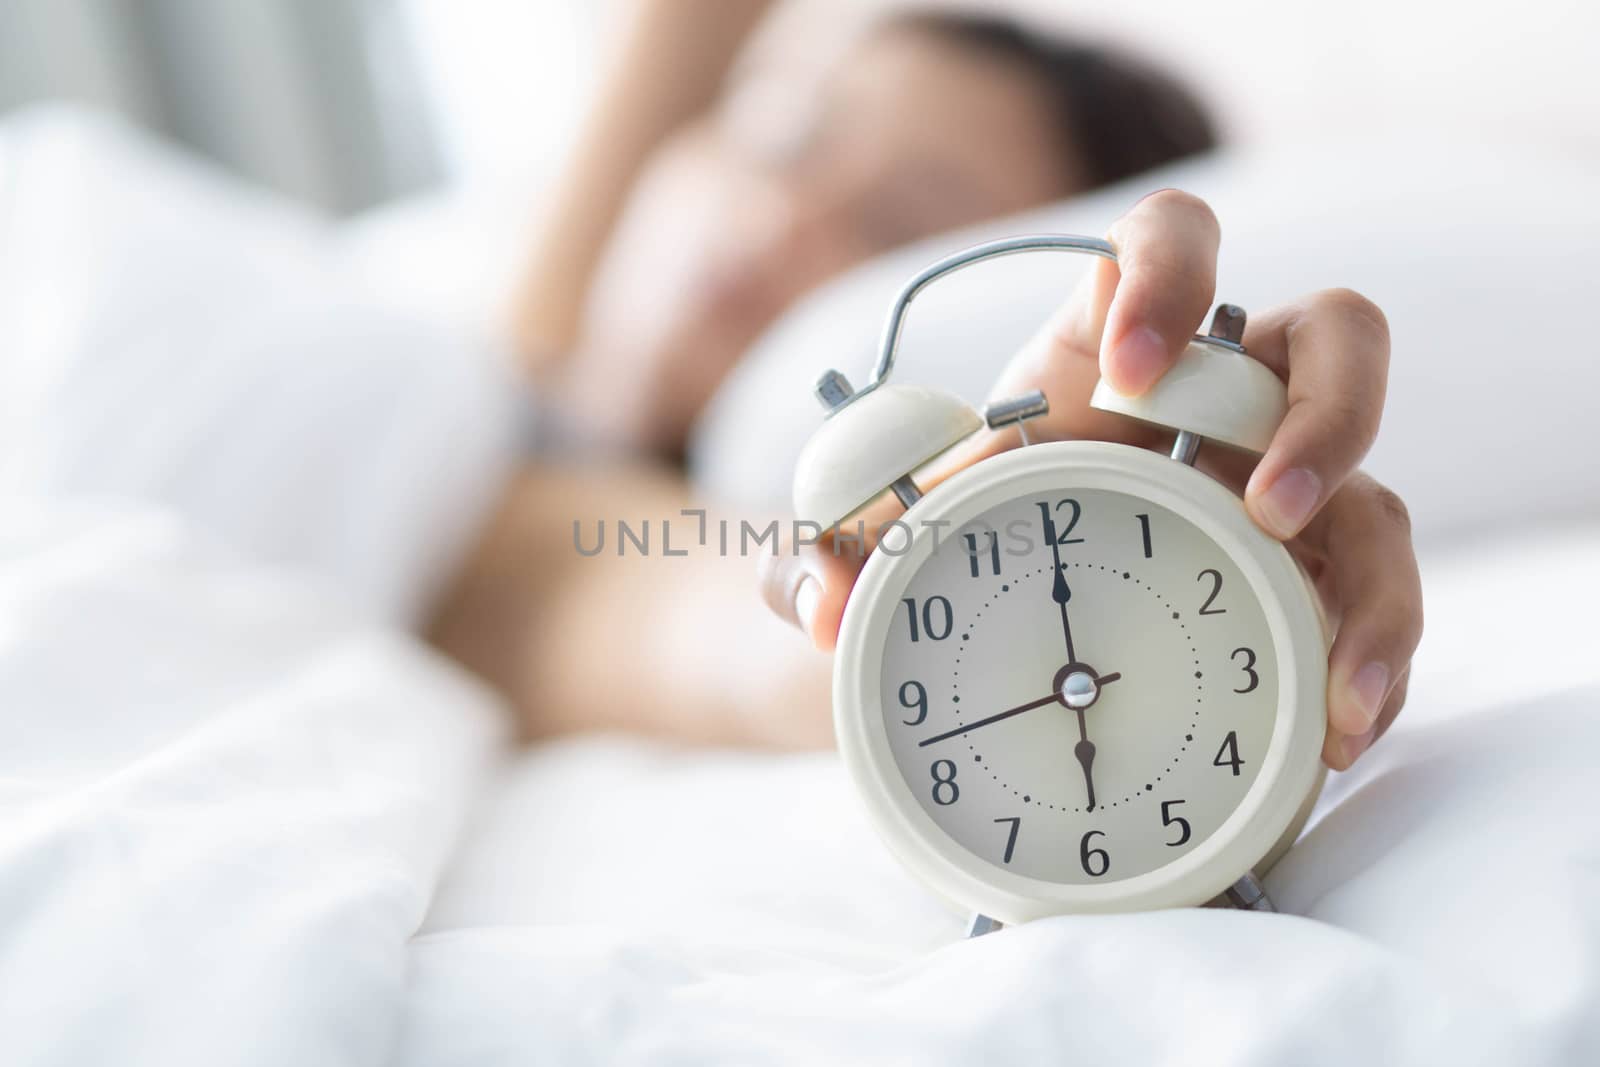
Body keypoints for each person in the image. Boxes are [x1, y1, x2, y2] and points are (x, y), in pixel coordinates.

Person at [430, 3, 1421, 773]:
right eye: (781, 134)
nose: (774, 218)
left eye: (897, 227)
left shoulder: (532, 505)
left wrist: (941, 598)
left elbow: (648, 603)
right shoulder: (498, 335)